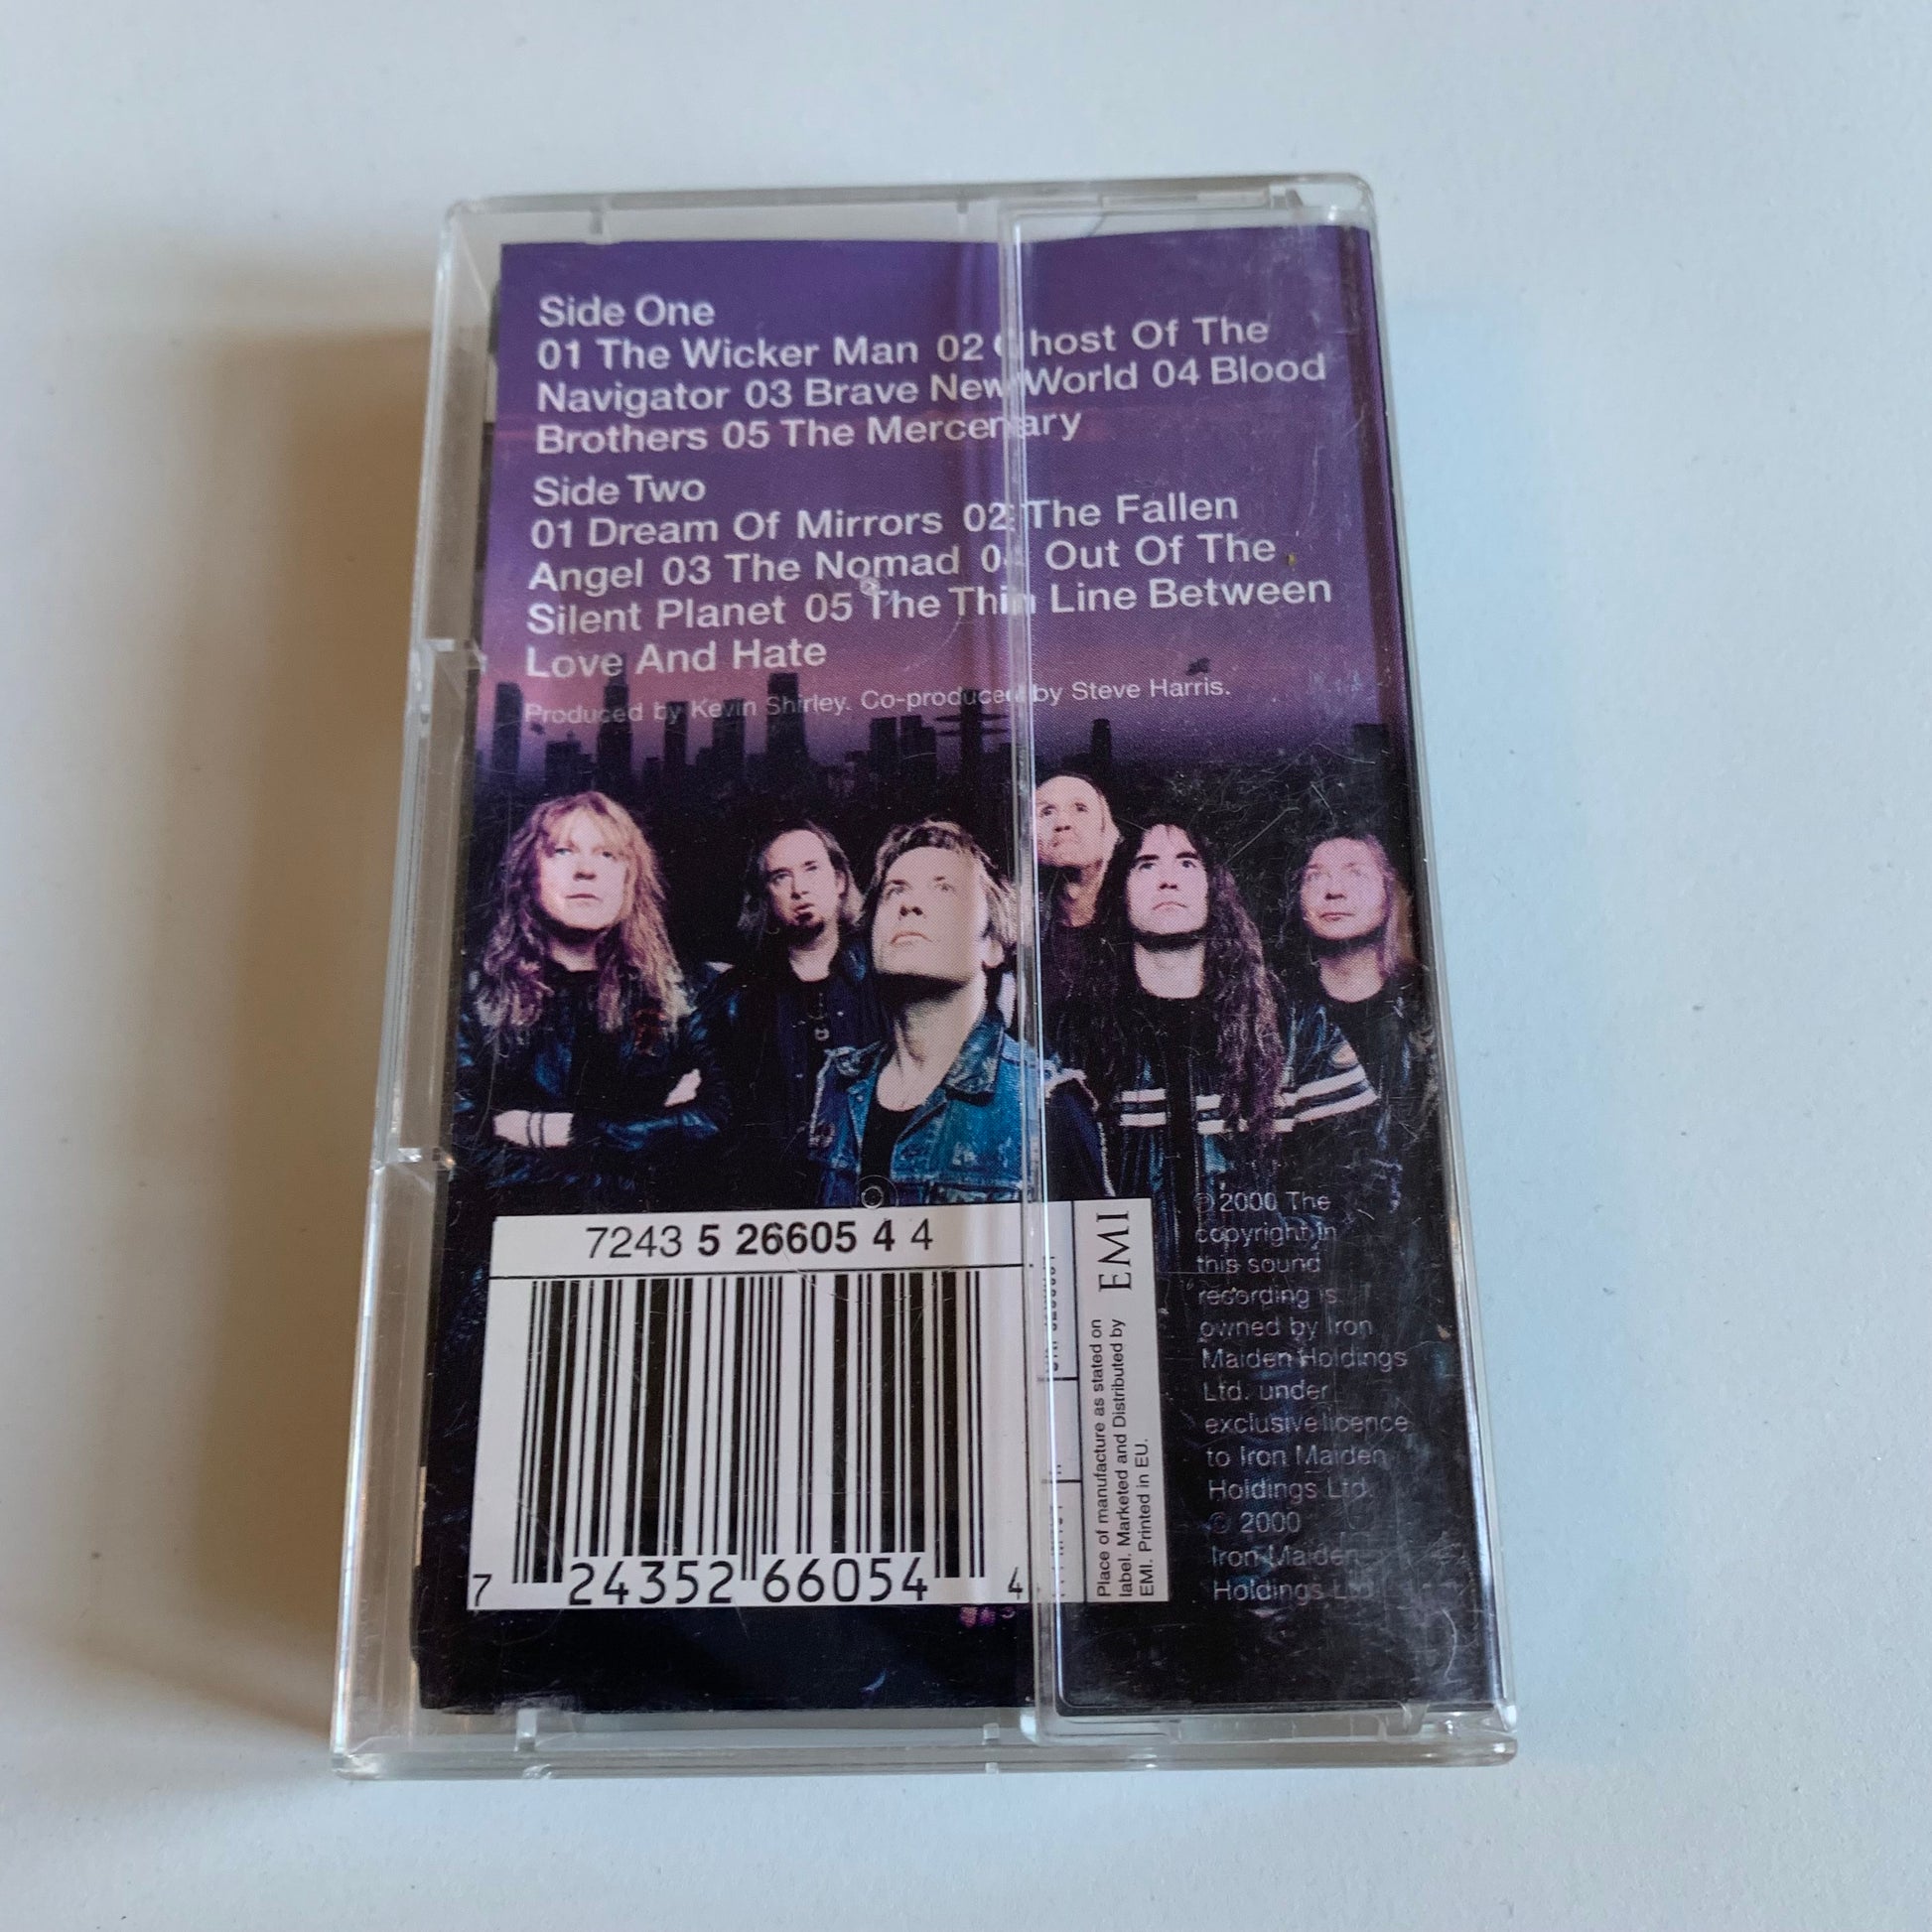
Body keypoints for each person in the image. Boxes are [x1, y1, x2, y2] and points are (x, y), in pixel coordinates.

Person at [1060, 817, 1374, 1272]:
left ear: (1215, 888)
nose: (1168, 879)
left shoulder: (1299, 1029)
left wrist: (1268, 1257)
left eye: (1188, 863)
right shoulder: (1073, 1034)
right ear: (1120, 892)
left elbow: (1362, 1184)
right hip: (1122, 1302)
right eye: (1147, 865)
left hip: (1253, 1307)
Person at [810, 819, 1105, 1207]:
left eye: (944, 889)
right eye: (895, 890)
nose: (909, 904)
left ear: (993, 944)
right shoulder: (836, 1087)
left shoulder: (1044, 1103)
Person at [452, 790, 722, 1211]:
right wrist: (644, 1132)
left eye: (607, 855)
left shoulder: (682, 989)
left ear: (630, 878)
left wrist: (559, 1132)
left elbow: (718, 1120)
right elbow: (460, 1148)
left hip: (646, 1239)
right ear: (528, 872)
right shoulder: (473, 993)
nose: (586, 871)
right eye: (563, 852)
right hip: (517, 1241)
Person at [704, 821, 884, 1205]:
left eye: (811, 869)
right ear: (766, 896)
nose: (798, 889)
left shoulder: (885, 978)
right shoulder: (735, 996)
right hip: (775, 1204)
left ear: (839, 881)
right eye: (780, 877)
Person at [1293, 832, 1438, 1187]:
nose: (1333, 891)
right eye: (1315, 876)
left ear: (1389, 891)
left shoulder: (1430, 1009)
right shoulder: (1278, 1014)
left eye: (1355, 873)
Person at [1032, 771, 1121, 1014]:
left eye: (1080, 808)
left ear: (1107, 831)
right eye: (1046, 812)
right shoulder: (1023, 940)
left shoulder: (1132, 928)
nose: (1062, 823)